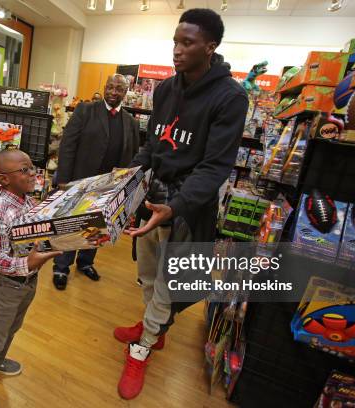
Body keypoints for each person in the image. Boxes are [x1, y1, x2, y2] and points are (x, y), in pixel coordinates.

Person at [114, 9, 248, 399]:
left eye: (187, 43)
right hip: (153, 199)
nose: (177, 50)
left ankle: (145, 343)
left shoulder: (230, 97)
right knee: (148, 271)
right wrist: (129, 179)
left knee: (171, 284)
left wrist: (176, 206)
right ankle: (151, 328)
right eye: (175, 40)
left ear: (211, 47)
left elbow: (216, 165)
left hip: (186, 208)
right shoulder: (166, 89)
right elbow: (154, 145)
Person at [0, 149, 61, 408]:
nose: (33, 175)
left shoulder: (26, 200)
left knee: (14, 327)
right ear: (4, 179)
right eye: (25, 170)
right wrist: (27, 263)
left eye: (32, 168)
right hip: (7, 286)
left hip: (28, 282)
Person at [53, 74, 140, 290]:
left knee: (97, 224)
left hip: (109, 186)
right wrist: (63, 179)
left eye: (119, 89)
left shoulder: (130, 122)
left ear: (125, 92)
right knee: (71, 224)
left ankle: (85, 262)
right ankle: (61, 267)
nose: (113, 92)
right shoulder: (86, 110)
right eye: (110, 87)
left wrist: (126, 187)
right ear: (105, 87)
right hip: (79, 180)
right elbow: (68, 145)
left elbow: (133, 156)